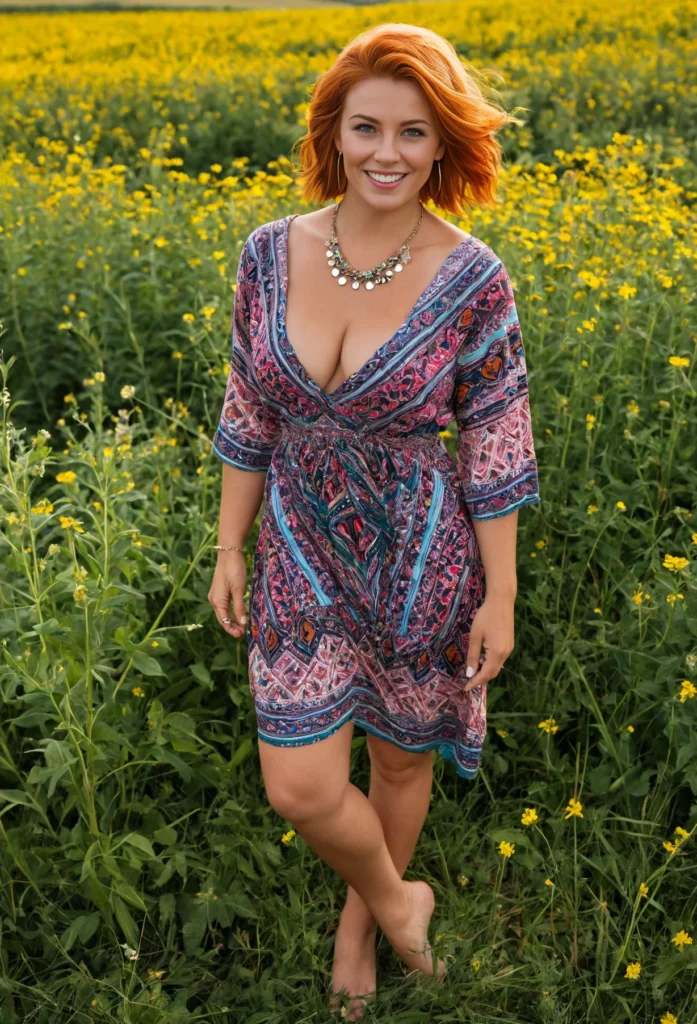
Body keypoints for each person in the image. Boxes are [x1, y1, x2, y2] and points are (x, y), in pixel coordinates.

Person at [208, 21, 540, 1020]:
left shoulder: (472, 276)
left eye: (412, 131)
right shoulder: (269, 252)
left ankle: (357, 924)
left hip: (420, 553)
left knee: (400, 750)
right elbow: (248, 409)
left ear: (443, 145)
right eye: (366, 128)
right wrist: (229, 542)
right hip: (297, 550)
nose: (387, 152)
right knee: (301, 787)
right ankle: (402, 904)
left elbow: (495, 446)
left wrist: (503, 594)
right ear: (334, 134)